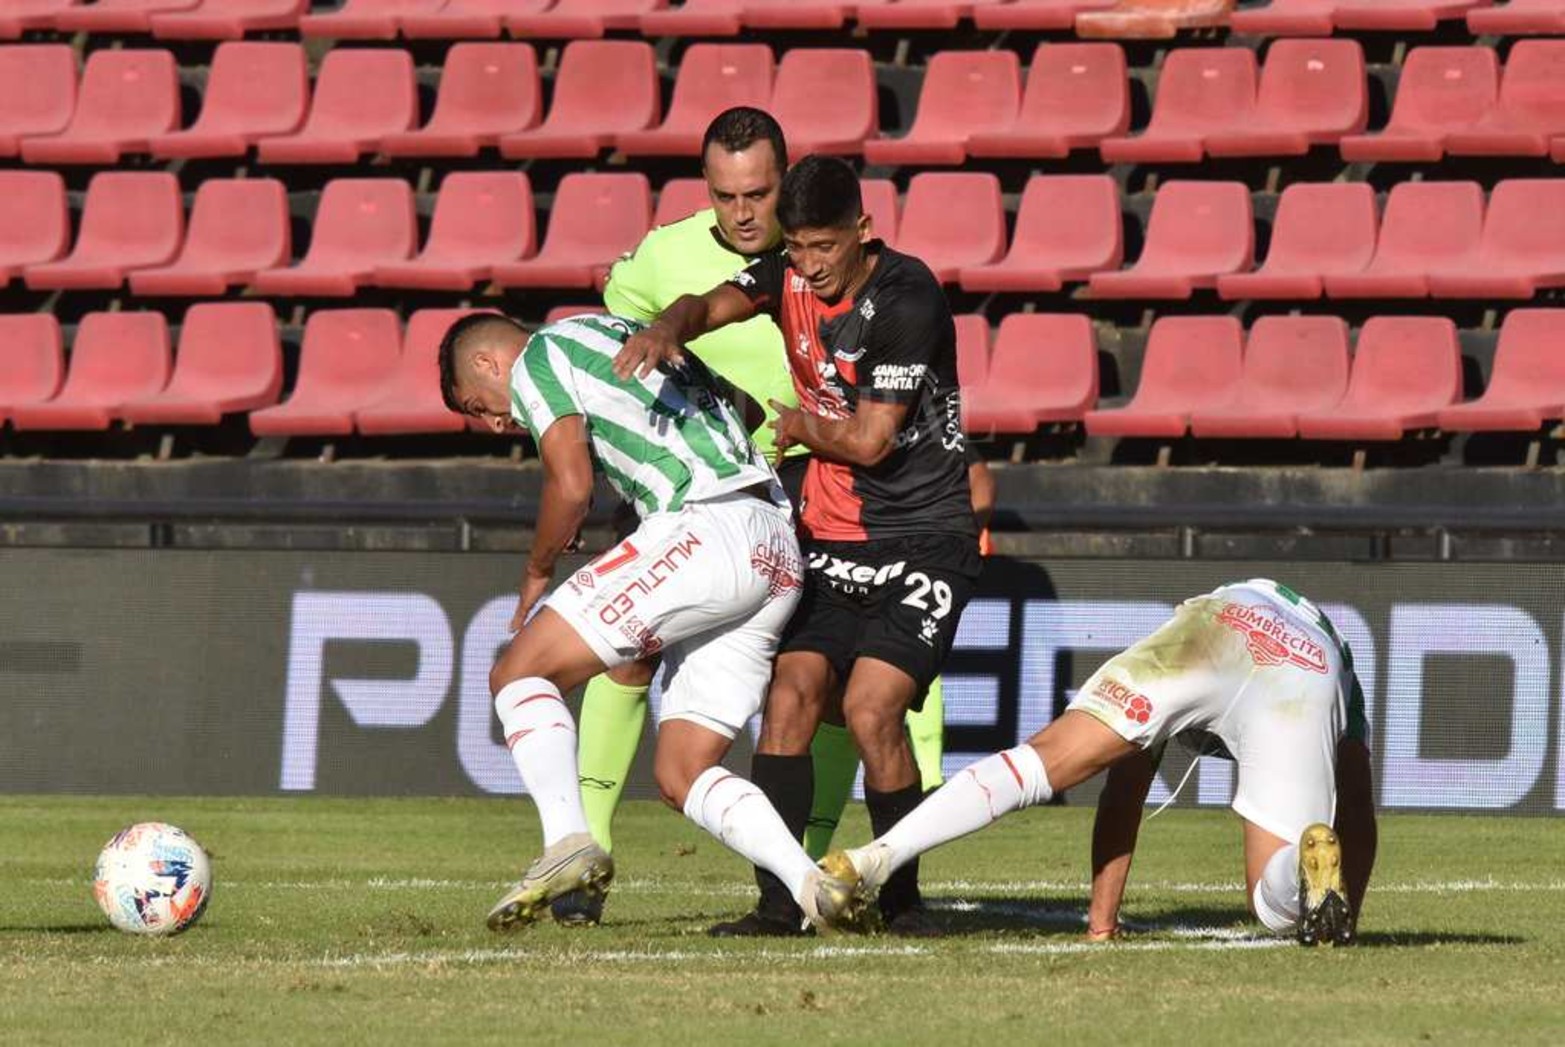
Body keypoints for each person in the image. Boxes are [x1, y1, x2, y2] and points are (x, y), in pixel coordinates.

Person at [560, 109, 979, 932]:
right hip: (830, 531)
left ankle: (902, 900)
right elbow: (714, 300)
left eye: (826, 248)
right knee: (788, 694)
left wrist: (790, 424)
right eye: (800, 249)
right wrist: (666, 328)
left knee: (869, 710)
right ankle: (780, 901)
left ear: (862, 230)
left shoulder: (905, 295)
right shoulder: (785, 268)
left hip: (923, 532)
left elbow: (866, 439)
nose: (811, 267)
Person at [436, 310, 855, 932]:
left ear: (488, 362)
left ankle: (568, 840)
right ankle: (812, 886)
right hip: (774, 540)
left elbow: (571, 486)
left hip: (703, 525)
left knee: (518, 672)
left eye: (480, 406)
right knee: (683, 770)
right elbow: (744, 411)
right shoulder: (620, 330)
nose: (496, 422)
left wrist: (536, 570)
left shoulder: (541, 355)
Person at [818, 578, 1377, 946]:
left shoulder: (1227, 601)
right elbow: (1358, 807)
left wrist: (1101, 927)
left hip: (1223, 613)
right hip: (1308, 663)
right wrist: (1345, 916)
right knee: (1274, 901)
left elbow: (1123, 794)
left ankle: (873, 857)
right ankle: (1300, 873)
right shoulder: (1343, 673)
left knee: (1039, 763)